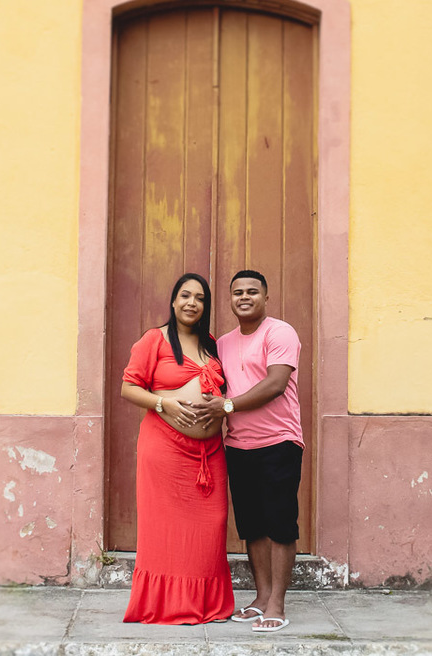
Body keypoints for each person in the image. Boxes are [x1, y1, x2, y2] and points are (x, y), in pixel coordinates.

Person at [119, 272, 236, 625]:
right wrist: (163, 403)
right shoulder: (154, 340)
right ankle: (166, 605)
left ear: (206, 306)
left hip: (208, 455)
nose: (191, 303)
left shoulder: (211, 344)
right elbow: (128, 387)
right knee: (165, 532)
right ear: (173, 301)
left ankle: (204, 604)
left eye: (199, 298)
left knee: (211, 526)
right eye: (185, 296)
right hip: (165, 452)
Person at [192, 269, 303, 634]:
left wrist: (226, 407)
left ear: (265, 297)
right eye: (237, 292)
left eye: (252, 291)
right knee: (253, 526)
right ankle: (260, 598)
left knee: (280, 525)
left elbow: (275, 383)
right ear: (231, 299)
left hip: (279, 442)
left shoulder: (280, 332)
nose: (244, 297)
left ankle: (277, 603)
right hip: (238, 446)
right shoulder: (222, 343)